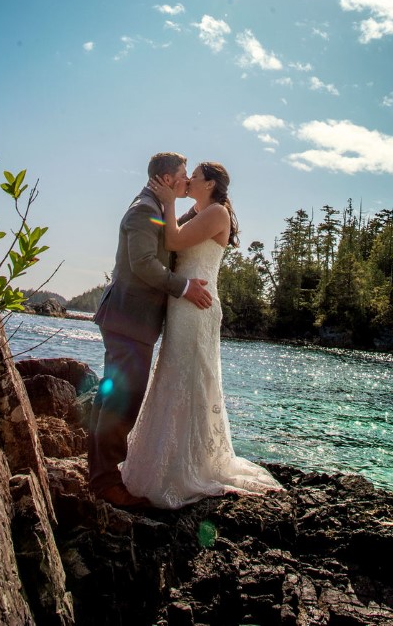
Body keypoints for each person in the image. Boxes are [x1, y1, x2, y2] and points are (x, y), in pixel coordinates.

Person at [121, 161, 283, 508]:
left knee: (192, 377)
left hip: (197, 304)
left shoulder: (217, 214)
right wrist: (169, 203)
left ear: (209, 184)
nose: (188, 180)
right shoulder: (198, 209)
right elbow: (166, 242)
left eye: (194, 177)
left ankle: (190, 464)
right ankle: (164, 457)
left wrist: (167, 201)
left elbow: (174, 239)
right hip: (183, 301)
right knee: (173, 375)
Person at [88, 152, 213, 508]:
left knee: (111, 397)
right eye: (183, 175)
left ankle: (100, 476)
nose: (187, 180)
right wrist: (185, 287)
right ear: (167, 178)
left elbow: (174, 233)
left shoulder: (158, 206)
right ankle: (106, 483)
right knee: (122, 400)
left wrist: (197, 206)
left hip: (129, 321)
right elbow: (143, 263)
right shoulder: (144, 209)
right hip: (128, 319)